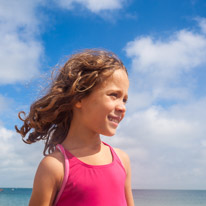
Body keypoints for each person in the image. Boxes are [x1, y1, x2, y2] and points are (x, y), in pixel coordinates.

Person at [16, 49, 134, 206]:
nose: (122, 107)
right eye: (114, 95)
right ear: (79, 98)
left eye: (124, 99)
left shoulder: (122, 160)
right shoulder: (55, 167)